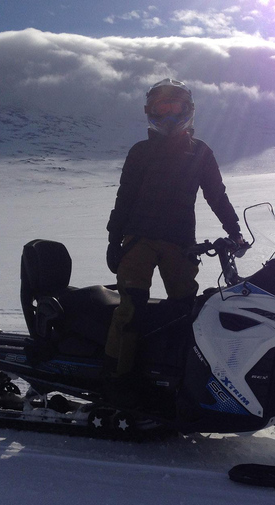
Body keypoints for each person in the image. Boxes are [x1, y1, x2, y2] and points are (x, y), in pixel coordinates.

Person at [103, 78, 243, 400]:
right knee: (130, 310)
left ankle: (178, 376)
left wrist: (233, 229)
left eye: (174, 108)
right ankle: (116, 381)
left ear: (187, 111)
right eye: (160, 109)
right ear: (150, 112)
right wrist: (114, 239)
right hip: (139, 241)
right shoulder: (140, 152)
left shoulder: (200, 153)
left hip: (179, 244)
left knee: (185, 312)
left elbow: (216, 194)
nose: (167, 116)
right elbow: (125, 197)